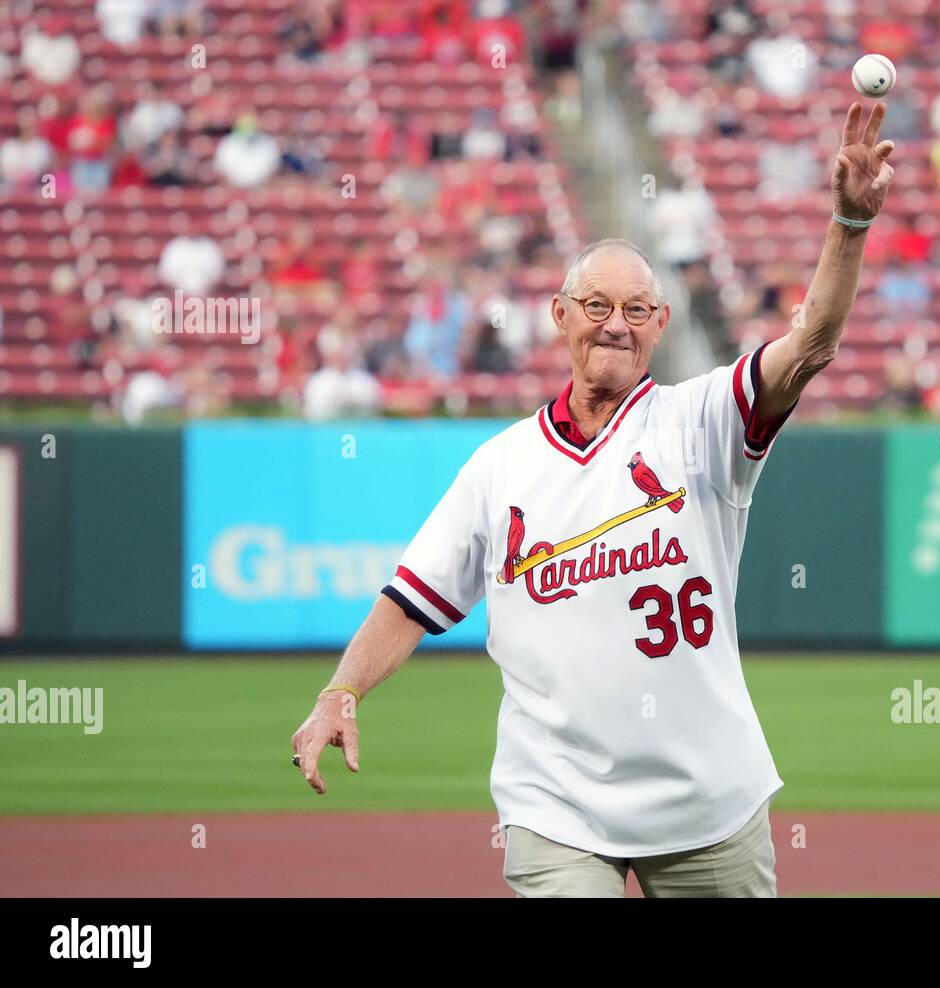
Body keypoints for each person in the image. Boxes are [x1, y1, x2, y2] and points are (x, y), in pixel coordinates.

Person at [290, 101, 899, 899]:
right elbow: (411, 599)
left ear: (660, 324)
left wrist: (849, 222)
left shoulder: (704, 420)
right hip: (556, 805)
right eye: (597, 306)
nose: (616, 324)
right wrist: (341, 691)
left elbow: (812, 342)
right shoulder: (499, 467)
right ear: (561, 316)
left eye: (636, 310)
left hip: (707, 795)